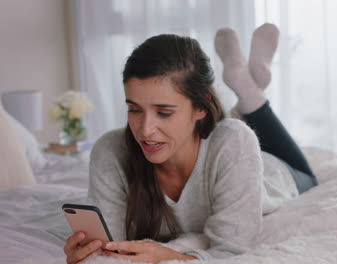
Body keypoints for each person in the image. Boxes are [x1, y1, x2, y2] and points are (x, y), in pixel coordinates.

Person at [63, 23, 317, 264]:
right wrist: (90, 254)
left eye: (164, 112)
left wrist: (170, 257)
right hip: (212, 138)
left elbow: (232, 252)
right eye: (135, 110)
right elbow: (111, 249)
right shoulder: (110, 150)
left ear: (201, 106)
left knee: (308, 177)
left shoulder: (234, 141)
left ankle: (248, 90)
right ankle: (244, 90)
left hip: (277, 173)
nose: (145, 130)